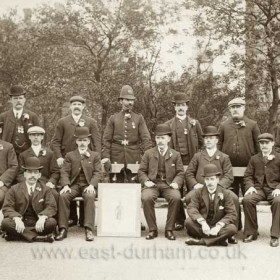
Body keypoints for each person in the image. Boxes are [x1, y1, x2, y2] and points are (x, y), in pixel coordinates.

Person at [51, 95, 101, 226]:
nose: (77, 106)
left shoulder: (91, 122)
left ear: (83, 106)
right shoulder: (63, 122)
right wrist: (59, 157)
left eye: (79, 104)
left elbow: (96, 142)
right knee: (70, 184)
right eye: (74, 104)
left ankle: (85, 220)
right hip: (68, 161)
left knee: (86, 184)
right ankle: (72, 217)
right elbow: (55, 142)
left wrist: (97, 158)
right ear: (70, 107)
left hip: (87, 160)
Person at [138, 124, 184, 240]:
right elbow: (141, 171)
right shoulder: (148, 153)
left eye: (163, 138)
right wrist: (146, 181)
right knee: (146, 197)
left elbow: (180, 172)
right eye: (158, 138)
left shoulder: (175, 154)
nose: (160, 141)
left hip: (168, 185)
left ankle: (169, 229)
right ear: (155, 139)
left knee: (176, 197)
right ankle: (153, 229)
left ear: (168, 139)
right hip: (152, 185)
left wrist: (176, 182)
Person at [55, 127, 102, 242]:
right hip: (74, 185)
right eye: (80, 140)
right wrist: (66, 185)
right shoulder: (70, 155)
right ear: (76, 141)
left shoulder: (95, 155)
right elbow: (65, 171)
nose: (82, 143)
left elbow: (98, 172)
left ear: (89, 141)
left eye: (84, 140)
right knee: (63, 196)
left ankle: (89, 229)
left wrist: (92, 185)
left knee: (90, 196)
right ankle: (63, 228)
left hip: (88, 185)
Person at [165, 92, 204, 231]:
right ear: (174, 107)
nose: (180, 107)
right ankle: (179, 220)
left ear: (187, 107)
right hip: (175, 163)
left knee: (194, 190)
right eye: (178, 105)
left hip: (192, 162)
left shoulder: (195, 124)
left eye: (183, 105)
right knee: (177, 191)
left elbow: (201, 143)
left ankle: (195, 219)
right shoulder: (168, 124)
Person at [1, 157, 57, 243]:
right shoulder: (14, 189)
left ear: (39, 175)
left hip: (37, 223)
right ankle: (38, 237)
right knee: (5, 223)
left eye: (35, 172)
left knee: (52, 222)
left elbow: (51, 206)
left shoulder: (45, 189)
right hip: (20, 222)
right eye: (29, 172)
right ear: (24, 174)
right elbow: (7, 207)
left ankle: (17, 236)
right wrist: (17, 218)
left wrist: (43, 217)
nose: (32, 175)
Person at [102, 85, 152, 175]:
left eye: (132, 100)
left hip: (133, 156)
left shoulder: (139, 118)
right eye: (127, 100)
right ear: (121, 101)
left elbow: (146, 138)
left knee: (134, 185)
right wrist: (106, 157)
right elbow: (106, 140)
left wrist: (148, 157)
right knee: (115, 184)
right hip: (116, 156)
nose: (130, 103)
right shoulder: (113, 118)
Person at [185, 164, 237, 246]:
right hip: (204, 225)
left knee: (232, 229)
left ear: (217, 180)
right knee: (188, 222)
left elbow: (232, 213)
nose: (210, 182)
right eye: (207, 179)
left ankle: (202, 241)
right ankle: (218, 240)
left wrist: (218, 227)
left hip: (218, 225)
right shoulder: (199, 192)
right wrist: (203, 223)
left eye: (212, 179)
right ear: (204, 181)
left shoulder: (225, 193)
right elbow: (192, 208)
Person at [243, 133, 280, 247]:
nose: (264, 145)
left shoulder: (279, 157)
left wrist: (279, 188)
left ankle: (275, 235)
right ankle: (251, 232)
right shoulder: (254, 158)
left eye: (267, 143)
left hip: (274, 189)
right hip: (258, 189)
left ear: (272, 143)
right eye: (262, 143)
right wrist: (250, 186)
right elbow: (248, 175)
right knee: (247, 200)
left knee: (278, 201)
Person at [218, 97, 260, 196]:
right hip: (229, 168)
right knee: (231, 198)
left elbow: (258, 145)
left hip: (248, 169)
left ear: (243, 108)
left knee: (249, 197)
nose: (235, 109)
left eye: (238, 107)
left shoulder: (252, 125)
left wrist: (258, 164)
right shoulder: (224, 125)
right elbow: (218, 144)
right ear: (230, 109)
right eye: (233, 107)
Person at [17, 126, 60, 202]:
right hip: (28, 183)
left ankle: (52, 214)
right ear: (29, 137)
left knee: (55, 195)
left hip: (45, 184)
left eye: (38, 135)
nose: (36, 137)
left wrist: (51, 182)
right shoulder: (23, 155)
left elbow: (55, 172)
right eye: (33, 135)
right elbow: (20, 174)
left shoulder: (50, 153)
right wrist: (28, 183)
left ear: (42, 137)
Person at [0, 85, 40, 156]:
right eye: (15, 98)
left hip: (27, 154)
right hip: (8, 154)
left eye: (20, 98)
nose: (18, 101)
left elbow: (40, 135)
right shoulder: (3, 117)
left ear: (24, 100)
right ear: (11, 100)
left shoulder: (32, 116)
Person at [0, 137, 18, 210]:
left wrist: (2, 181)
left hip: (1, 184)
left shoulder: (8, 147)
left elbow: (14, 166)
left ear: (0, 130)